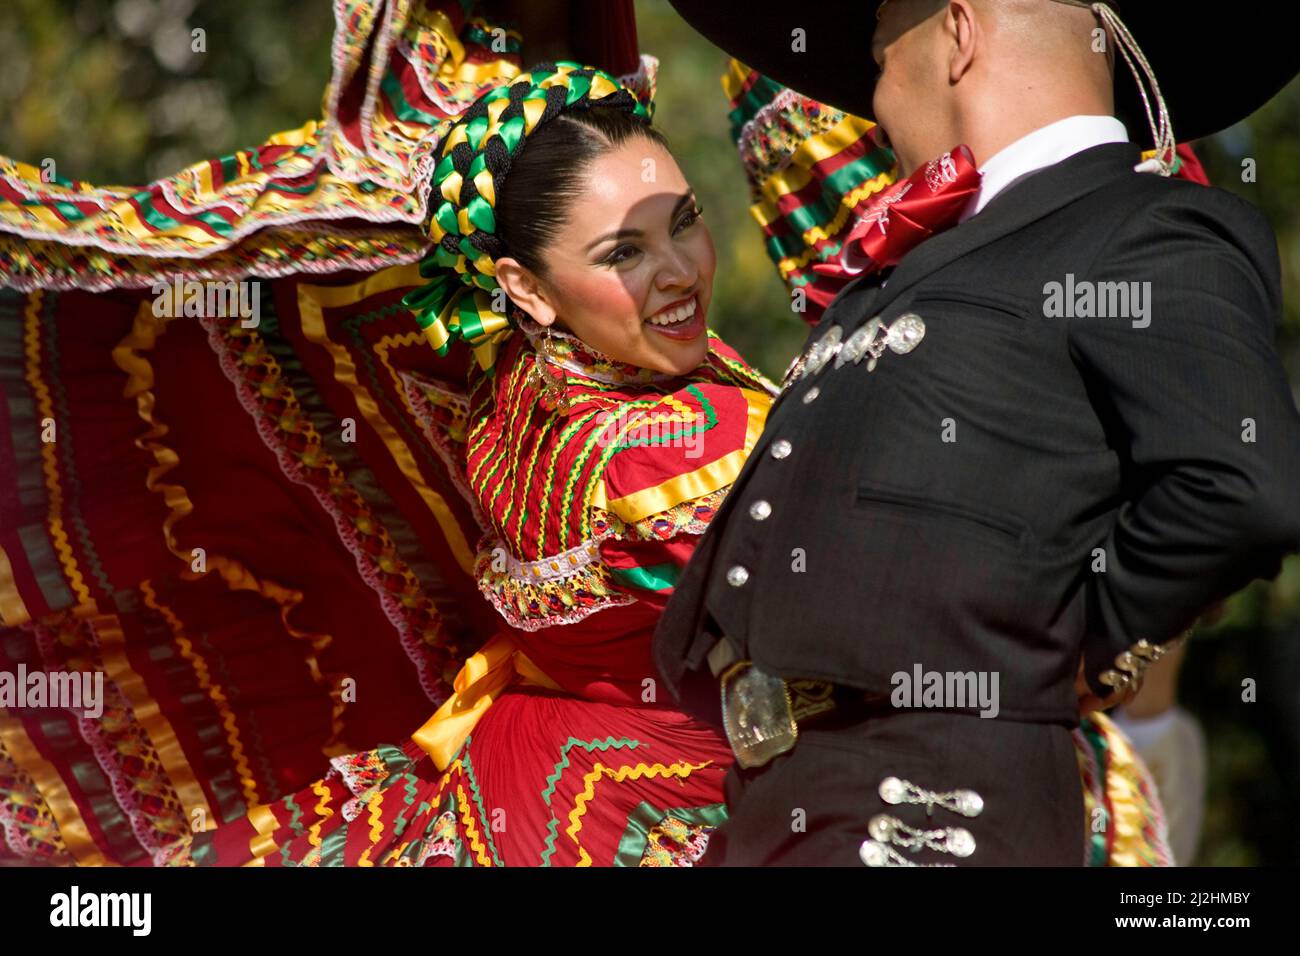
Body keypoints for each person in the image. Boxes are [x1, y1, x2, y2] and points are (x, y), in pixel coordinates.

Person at [170, 59, 1173, 867]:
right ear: (523, 284)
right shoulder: (673, 454)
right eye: (623, 254)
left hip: (529, 780)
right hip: (670, 808)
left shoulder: (508, 385)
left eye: (683, 221)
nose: (682, 272)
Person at [657, 0, 1300, 865]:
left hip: (930, 816)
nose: (876, 107)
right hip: (785, 806)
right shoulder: (917, 262)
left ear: (958, 34)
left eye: (881, 65)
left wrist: (1081, 648)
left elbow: (1241, 486)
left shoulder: (1145, 228)